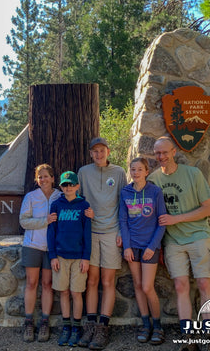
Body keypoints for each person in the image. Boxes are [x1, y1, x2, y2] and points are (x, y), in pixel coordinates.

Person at [148, 136, 210, 350]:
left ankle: (208, 335)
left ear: (174, 151)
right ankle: (188, 336)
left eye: (165, 152)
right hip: (173, 242)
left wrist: (177, 218)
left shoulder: (193, 174)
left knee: (204, 283)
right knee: (180, 286)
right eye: (157, 153)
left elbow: (208, 209)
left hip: (198, 236)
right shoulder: (153, 179)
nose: (161, 157)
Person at [77, 137, 127, 350]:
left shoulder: (119, 173)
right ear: (90, 154)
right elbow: (78, 200)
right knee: (91, 281)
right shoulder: (83, 172)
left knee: (107, 281)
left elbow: (124, 203)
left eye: (102, 150)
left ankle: (102, 327)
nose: (98, 154)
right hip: (90, 232)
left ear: (108, 152)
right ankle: (89, 325)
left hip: (111, 232)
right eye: (94, 151)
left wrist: (122, 232)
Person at [119, 157, 167, 345]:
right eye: (133, 169)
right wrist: (127, 247)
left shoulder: (155, 192)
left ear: (147, 172)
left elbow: (161, 222)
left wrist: (153, 246)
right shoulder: (125, 192)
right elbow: (123, 221)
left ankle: (158, 326)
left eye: (140, 169)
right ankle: (145, 324)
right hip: (132, 247)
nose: (136, 172)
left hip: (149, 247)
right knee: (138, 286)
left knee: (147, 287)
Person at [47, 171, 91, 347]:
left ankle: (76, 327)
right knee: (63, 292)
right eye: (65, 185)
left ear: (77, 186)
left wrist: (86, 258)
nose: (68, 188)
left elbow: (87, 234)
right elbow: (51, 232)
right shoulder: (56, 205)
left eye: (71, 184)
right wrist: (52, 256)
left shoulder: (84, 206)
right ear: (61, 187)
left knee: (76, 292)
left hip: (78, 256)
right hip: (60, 256)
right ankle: (66, 327)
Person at [19, 164, 62, 343]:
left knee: (47, 283)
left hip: (52, 248)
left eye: (46, 176)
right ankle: (29, 322)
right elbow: (23, 221)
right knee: (31, 283)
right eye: (40, 177)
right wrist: (44, 221)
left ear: (53, 178)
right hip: (33, 245)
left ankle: (45, 322)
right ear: (37, 180)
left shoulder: (60, 196)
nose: (43, 180)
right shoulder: (31, 197)